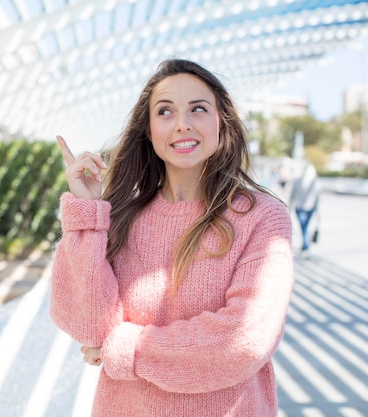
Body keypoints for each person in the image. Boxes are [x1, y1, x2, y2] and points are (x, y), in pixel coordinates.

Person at [49, 59, 294, 416]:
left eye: (198, 109)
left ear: (221, 123)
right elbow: (87, 325)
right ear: (148, 129)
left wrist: (127, 347)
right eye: (165, 111)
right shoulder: (120, 217)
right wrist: (87, 213)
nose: (183, 124)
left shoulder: (261, 217)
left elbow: (241, 341)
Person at [289, 158, 320, 254]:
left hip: (301, 207)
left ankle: (305, 245)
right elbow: (317, 197)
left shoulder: (299, 180)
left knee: (304, 227)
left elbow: (292, 195)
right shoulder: (315, 181)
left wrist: (289, 206)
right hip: (309, 207)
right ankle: (305, 245)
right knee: (305, 226)